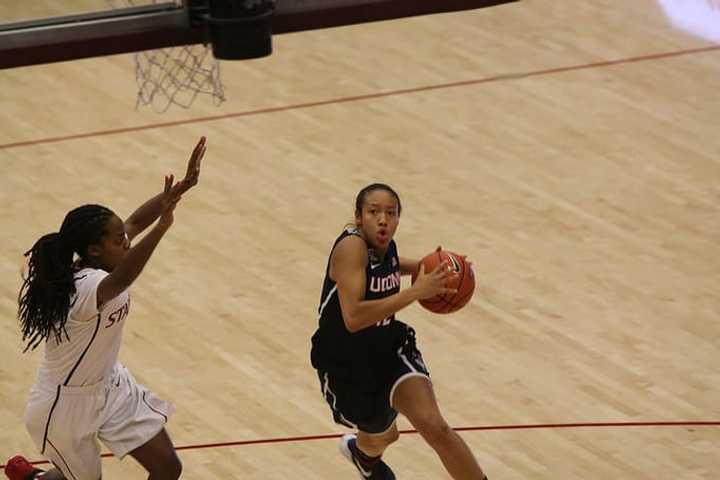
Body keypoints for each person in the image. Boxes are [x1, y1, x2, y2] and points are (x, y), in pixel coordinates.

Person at [4, 137, 207, 480]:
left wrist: (177, 191)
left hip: (110, 386)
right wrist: (163, 227)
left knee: (168, 467)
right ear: (95, 251)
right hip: (65, 407)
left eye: (123, 237)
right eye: (118, 241)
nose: (126, 241)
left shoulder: (103, 258)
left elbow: (132, 224)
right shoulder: (83, 288)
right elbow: (126, 277)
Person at [310, 183, 488, 480]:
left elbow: (392, 264)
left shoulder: (386, 247)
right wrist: (416, 291)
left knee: (436, 427)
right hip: (347, 368)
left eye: (390, 213)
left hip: (389, 350)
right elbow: (353, 317)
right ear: (358, 217)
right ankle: (363, 455)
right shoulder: (350, 248)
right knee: (383, 436)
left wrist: (429, 268)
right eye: (374, 212)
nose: (383, 219)